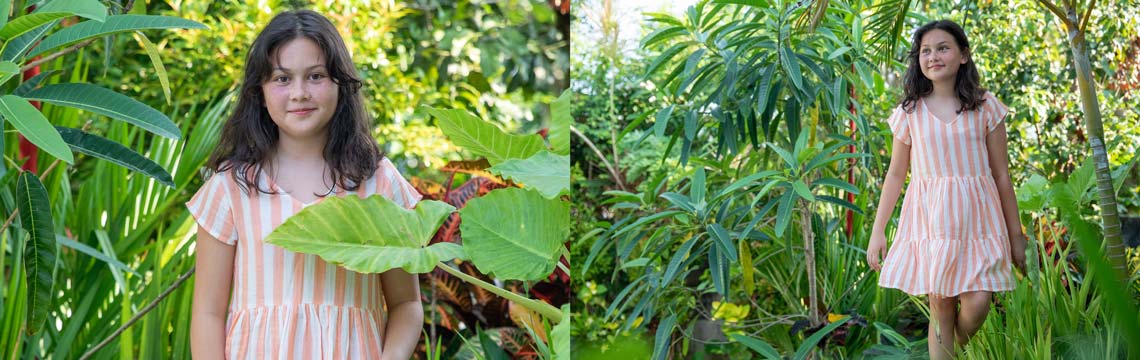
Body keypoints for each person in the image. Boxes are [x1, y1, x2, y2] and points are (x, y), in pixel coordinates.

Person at [187, 9, 423, 359]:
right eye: (282, 79)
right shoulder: (230, 189)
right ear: (260, 91)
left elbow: (406, 303)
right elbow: (207, 313)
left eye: (315, 76)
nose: (299, 93)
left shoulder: (379, 182)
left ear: (340, 83)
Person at [866, 19, 1028, 359]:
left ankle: (948, 349)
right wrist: (878, 232)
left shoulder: (985, 107)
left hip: (979, 220)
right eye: (926, 51)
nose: (933, 56)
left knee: (979, 300)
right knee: (940, 306)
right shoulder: (910, 112)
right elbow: (896, 174)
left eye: (943, 48)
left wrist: (1016, 234)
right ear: (918, 60)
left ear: (963, 56)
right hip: (931, 221)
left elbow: (1001, 175)